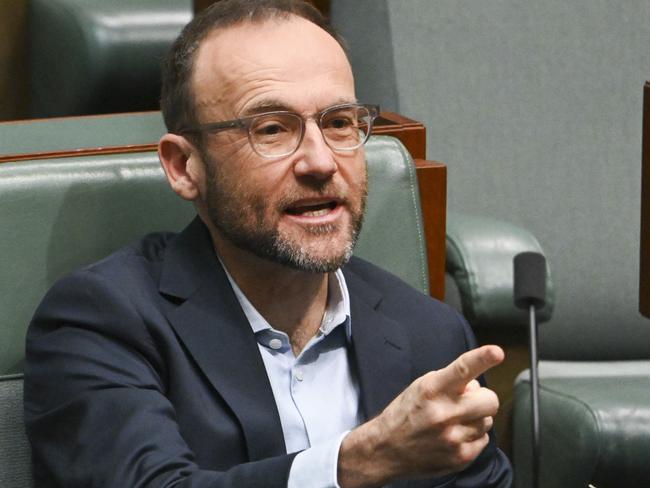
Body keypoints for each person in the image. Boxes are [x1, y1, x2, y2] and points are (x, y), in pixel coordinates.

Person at [24, 1, 512, 487]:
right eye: (272, 129)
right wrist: (359, 461)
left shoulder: (432, 335)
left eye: (339, 122)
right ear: (183, 166)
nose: (320, 162)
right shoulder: (103, 320)